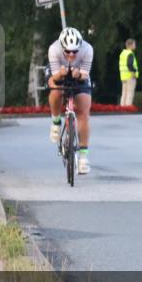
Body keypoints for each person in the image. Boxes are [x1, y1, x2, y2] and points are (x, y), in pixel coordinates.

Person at [47, 27, 94, 175]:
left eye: (75, 51)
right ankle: (56, 122)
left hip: (79, 74)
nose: (71, 55)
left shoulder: (87, 49)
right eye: (68, 51)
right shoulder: (54, 49)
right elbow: (54, 79)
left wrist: (78, 74)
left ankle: (83, 157)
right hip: (59, 73)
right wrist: (61, 74)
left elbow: (85, 76)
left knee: (83, 111)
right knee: (55, 91)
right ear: (62, 47)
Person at [118, 38, 138, 107]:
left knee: (124, 93)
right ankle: (128, 109)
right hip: (130, 76)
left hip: (123, 76)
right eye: (134, 44)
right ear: (131, 45)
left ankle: (122, 108)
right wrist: (133, 72)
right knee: (130, 93)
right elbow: (129, 64)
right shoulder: (130, 54)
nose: (135, 46)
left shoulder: (123, 53)